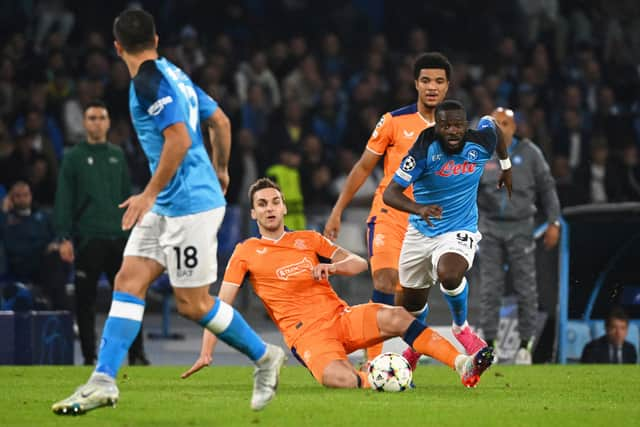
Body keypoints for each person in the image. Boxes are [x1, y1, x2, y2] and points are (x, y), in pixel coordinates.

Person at [52, 9, 285, 415]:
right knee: (129, 279)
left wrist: (147, 193)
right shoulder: (175, 73)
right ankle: (103, 380)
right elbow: (222, 122)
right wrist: (222, 168)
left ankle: (265, 357)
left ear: (117, 47)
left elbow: (176, 140)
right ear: (156, 40)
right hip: (173, 202)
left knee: (192, 304)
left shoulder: (146, 83)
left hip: (189, 206)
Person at [182, 178, 494, 389]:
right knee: (337, 378)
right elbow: (222, 304)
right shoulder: (245, 251)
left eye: (275, 202)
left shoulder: (308, 240)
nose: (270, 208)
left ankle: (462, 364)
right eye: (262, 204)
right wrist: (206, 351)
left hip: (341, 318)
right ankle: (378, 380)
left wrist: (332, 268)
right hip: (307, 338)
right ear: (253, 213)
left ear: (284, 207)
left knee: (398, 316)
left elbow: (360, 262)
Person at [323, 52, 451, 363]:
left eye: (438, 81)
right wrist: (338, 209)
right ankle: (374, 363)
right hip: (389, 213)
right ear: (415, 84)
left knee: (410, 297)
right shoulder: (393, 121)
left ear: (447, 86)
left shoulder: (456, 130)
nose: (432, 87)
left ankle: (406, 360)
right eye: (425, 81)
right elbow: (364, 166)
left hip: (427, 222)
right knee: (382, 280)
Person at [383, 100, 512, 370]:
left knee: (450, 274)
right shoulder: (423, 148)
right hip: (420, 230)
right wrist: (419, 208)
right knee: (412, 305)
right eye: (445, 126)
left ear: (465, 125)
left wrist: (506, 164)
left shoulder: (480, 141)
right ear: (436, 126)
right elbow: (390, 193)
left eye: (458, 125)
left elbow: (493, 124)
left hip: (459, 228)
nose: (452, 131)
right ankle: (418, 345)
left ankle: (461, 328)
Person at [53, 100, 149, 366]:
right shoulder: (73, 157)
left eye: (101, 117)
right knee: (85, 302)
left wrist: (133, 234)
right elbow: (64, 198)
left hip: (118, 238)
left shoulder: (117, 155)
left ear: (108, 123)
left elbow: (125, 196)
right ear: (84, 123)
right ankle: (89, 355)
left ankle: (137, 353)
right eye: (92, 117)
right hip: (88, 238)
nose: (97, 122)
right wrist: (63, 237)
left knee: (130, 296)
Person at [476, 107, 561, 365]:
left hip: (521, 229)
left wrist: (554, 221)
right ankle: (490, 344)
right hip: (489, 228)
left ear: (514, 127)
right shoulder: (480, 154)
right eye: (495, 124)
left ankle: (525, 345)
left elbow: (548, 188)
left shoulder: (530, 153)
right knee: (490, 288)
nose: (500, 128)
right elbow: (467, 190)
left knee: (526, 288)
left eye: (505, 123)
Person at [0, 181, 68, 309]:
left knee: (56, 258)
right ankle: (63, 312)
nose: (22, 199)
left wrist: (55, 244)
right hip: (24, 264)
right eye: (18, 196)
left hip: (46, 261)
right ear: (11, 199)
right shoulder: (7, 221)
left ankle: (53, 303)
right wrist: (3, 211)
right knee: (54, 268)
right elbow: (12, 246)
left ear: (31, 196)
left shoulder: (43, 215)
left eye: (25, 195)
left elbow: (57, 234)